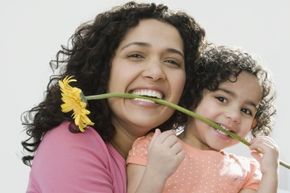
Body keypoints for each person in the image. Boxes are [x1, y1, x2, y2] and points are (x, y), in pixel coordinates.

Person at [21, 1, 205, 193]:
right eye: (136, 55)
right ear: (102, 68)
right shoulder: (70, 144)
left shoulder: (173, 158)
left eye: (171, 61)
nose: (155, 72)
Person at [127, 44, 279, 193]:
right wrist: (156, 173)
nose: (234, 116)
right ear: (194, 97)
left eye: (246, 110)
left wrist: (270, 173)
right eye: (222, 99)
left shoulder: (248, 173)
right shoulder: (155, 147)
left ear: (254, 123)